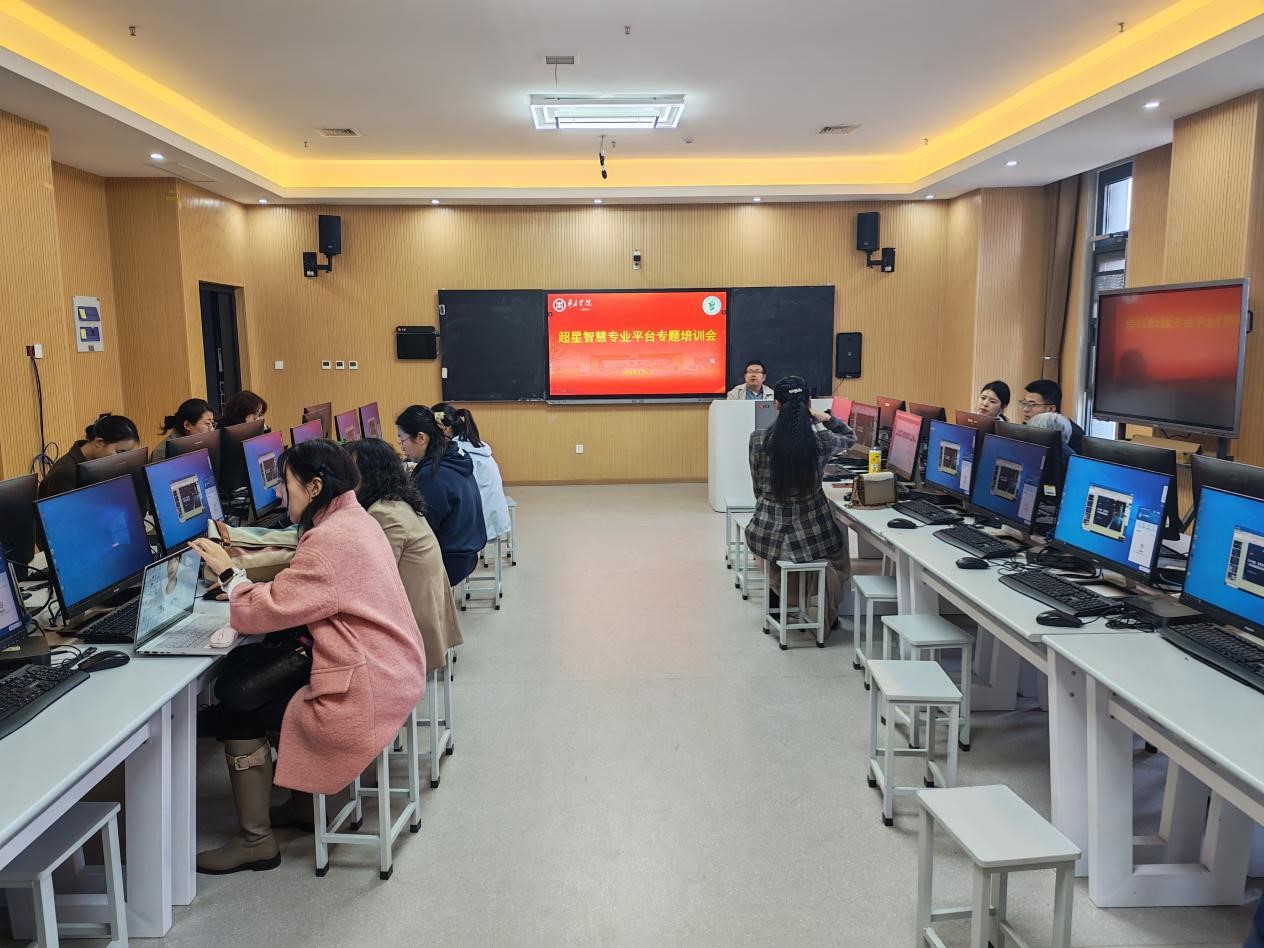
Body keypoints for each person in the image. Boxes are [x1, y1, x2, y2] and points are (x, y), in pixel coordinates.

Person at [188, 439, 425, 873]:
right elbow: (305, 590)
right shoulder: (356, 519)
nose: (280, 495)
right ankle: (299, 804)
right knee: (263, 688)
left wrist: (229, 572)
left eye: (286, 484)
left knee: (241, 712)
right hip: (392, 670)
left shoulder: (329, 540)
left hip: (365, 688)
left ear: (315, 487)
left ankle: (255, 841)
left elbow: (262, 612)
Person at [746, 375, 856, 633]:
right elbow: (850, 437)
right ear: (808, 404)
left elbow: (757, 488)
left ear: (776, 405)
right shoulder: (822, 441)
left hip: (767, 536)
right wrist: (825, 418)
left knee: (776, 549)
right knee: (837, 548)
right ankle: (824, 609)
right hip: (811, 537)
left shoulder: (758, 439)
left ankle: (780, 595)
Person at [396, 405, 486, 586]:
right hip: (467, 551)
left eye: (402, 439)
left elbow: (422, 529)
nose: (401, 447)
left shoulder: (432, 475)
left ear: (421, 438)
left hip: (450, 560)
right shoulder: (452, 456)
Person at [432, 402, 511, 542]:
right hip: (493, 517)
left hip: (482, 523)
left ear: (445, 429)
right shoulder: (472, 446)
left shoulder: (459, 454)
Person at [37, 413, 141, 499]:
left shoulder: (99, 462)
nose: (123, 459)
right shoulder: (64, 473)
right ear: (99, 442)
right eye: (120, 452)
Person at [1021, 379, 1083, 453]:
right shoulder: (1029, 425)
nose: (1025, 409)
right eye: (1024, 403)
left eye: (1032, 405)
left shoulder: (1075, 437)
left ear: (1050, 409)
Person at [150, 398, 216, 461]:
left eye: (212, 423)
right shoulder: (163, 452)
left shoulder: (198, 442)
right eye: (207, 423)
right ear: (187, 425)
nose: (212, 429)